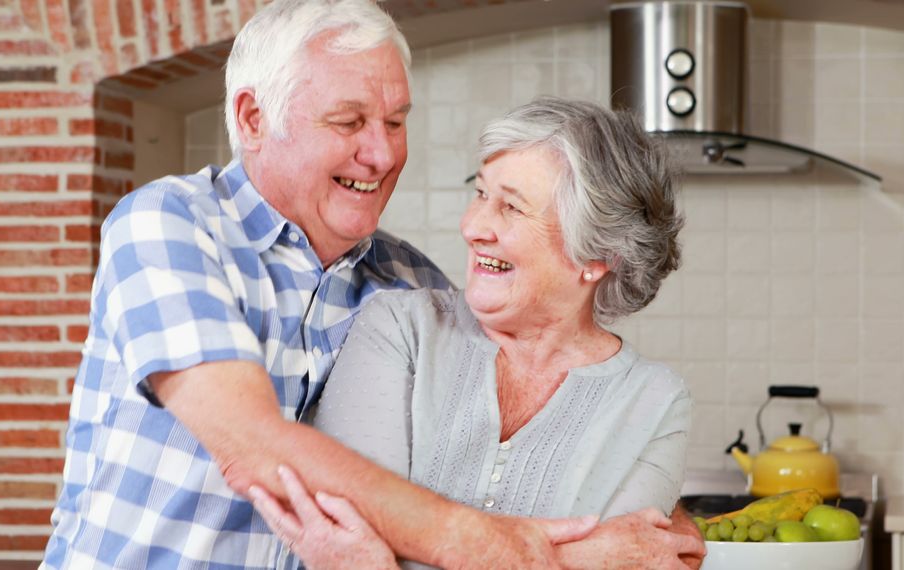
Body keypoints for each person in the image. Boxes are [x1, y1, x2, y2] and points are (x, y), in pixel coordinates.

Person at [43, 0, 704, 567]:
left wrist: (658, 513)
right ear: (251, 119)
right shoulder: (171, 226)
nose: (384, 154)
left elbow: (562, 415)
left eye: (394, 121)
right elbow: (250, 443)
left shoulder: (407, 285)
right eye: (349, 121)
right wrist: (528, 553)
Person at [248, 97, 705, 569]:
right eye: (481, 193)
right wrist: (579, 560)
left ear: (597, 257)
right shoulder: (403, 329)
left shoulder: (655, 401)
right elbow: (344, 534)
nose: (472, 226)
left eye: (511, 207)